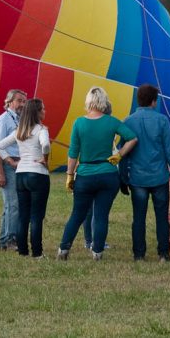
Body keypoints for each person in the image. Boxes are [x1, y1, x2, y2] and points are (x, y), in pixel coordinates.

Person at [57, 87, 137, 261]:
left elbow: (73, 152)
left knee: (77, 214)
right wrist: (119, 155)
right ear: (104, 101)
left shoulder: (79, 123)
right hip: (108, 174)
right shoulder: (112, 122)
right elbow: (133, 138)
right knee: (101, 215)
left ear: (88, 102)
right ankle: (97, 252)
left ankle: (64, 249)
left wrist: (70, 175)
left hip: (85, 174)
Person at [123, 84, 170, 262]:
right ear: (154, 101)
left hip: (137, 178)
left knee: (138, 217)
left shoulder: (128, 121)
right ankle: (163, 253)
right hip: (159, 177)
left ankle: (139, 254)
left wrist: (122, 178)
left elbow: (122, 152)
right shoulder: (162, 120)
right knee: (162, 217)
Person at [0, 98, 50, 258]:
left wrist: (10, 161)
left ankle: (23, 250)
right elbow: (45, 145)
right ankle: (37, 252)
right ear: (37, 113)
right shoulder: (41, 130)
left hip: (21, 174)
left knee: (23, 214)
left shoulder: (19, 131)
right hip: (38, 174)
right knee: (37, 216)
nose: (45, 112)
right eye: (43, 109)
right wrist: (44, 158)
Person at [0, 89, 28, 250]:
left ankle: (3, 241)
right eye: (19, 100)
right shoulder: (3, 120)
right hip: (8, 165)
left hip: (19, 165)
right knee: (13, 204)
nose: (22, 104)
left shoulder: (21, 120)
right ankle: (10, 239)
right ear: (9, 102)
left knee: (12, 205)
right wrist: (0, 172)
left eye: (24, 101)